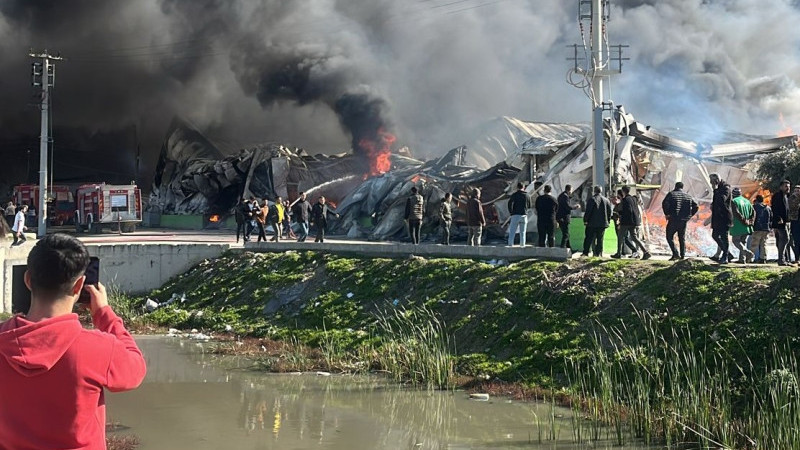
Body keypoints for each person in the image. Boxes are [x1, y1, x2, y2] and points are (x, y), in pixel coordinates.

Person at [0, 234, 146, 449]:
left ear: (28, 280)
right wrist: (105, 315)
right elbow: (135, 371)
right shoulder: (99, 349)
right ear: (79, 285)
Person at [661, 181, 699, 260]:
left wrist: (667, 213)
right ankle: (682, 255)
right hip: (683, 220)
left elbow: (664, 203)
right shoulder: (688, 196)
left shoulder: (671, 194)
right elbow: (696, 206)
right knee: (681, 238)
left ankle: (675, 253)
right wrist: (689, 215)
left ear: (675, 187)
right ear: (682, 187)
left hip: (673, 219)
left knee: (669, 236)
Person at [614, 186, 652, 260]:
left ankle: (618, 253)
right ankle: (646, 252)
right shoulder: (633, 199)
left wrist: (619, 212)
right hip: (634, 221)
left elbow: (624, 210)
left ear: (623, 191)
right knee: (634, 238)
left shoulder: (625, 200)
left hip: (626, 222)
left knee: (620, 237)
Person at [582, 186, 613, 257]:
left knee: (588, 238)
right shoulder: (606, 200)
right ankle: (599, 253)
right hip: (602, 223)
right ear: (601, 191)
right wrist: (607, 221)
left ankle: (585, 252)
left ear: (594, 191)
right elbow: (609, 212)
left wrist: (585, 220)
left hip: (592, 223)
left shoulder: (592, 199)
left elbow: (588, 211)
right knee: (600, 239)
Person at [709, 174, 733, 264]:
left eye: (712, 181)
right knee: (715, 235)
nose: (711, 183)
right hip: (717, 217)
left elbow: (722, 199)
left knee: (724, 237)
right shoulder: (718, 189)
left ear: (716, 180)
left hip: (724, 217)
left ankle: (725, 256)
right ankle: (727, 253)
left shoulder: (726, 187)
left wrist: (715, 189)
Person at [730, 187, 755, 263]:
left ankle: (747, 252)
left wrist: (743, 221)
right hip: (747, 226)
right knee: (743, 241)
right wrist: (751, 221)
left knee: (736, 241)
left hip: (738, 226)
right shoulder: (747, 201)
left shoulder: (733, 201)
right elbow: (753, 212)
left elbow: (736, 213)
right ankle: (742, 259)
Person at [771, 179, 791, 266]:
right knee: (785, 239)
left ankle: (784, 259)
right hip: (779, 222)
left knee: (782, 239)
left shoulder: (785, 196)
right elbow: (774, 208)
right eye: (786, 186)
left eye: (789, 186)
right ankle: (781, 259)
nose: (788, 188)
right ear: (781, 187)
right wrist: (779, 218)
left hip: (785, 222)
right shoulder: (777, 196)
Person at [749, 194, 772, 264]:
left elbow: (751, 216)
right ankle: (763, 258)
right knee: (763, 244)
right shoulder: (768, 208)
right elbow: (771, 218)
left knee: (753, 244)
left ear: (757, 200)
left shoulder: (754, 207)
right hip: (766, 228)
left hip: (757, 228)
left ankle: (750, 258)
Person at [507, 182, 531, 247]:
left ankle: (510, 244)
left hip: (515, 215)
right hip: (524, 215)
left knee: (512, 231)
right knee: (523, 232)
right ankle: (522, 245)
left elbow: (509, 203)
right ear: (524, 187)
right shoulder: (527, 195)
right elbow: (529, 206)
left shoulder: (514, 195)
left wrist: (511, 212)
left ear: (517, 187)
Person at [556, 185, 580, 249]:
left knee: (566, 234)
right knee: (566, 234)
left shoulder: (562, 195)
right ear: (569, 190)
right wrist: (575, 207)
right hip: (564, 218)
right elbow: (567, 207)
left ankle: (569, 249)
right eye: (571, 190)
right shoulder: (565, 196)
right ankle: (562, 247)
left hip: (561, 217)